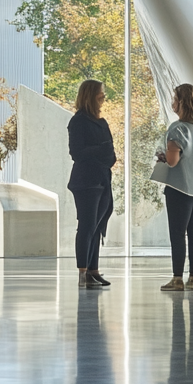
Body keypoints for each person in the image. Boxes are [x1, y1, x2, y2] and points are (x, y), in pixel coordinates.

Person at [157, 84, 193, 292]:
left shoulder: (177, 128)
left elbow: (172, 161)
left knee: (178, 234)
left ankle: (177, 278)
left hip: (180, 190)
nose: (172, 102)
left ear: (181, 103)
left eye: (175, 98)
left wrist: (163, 155)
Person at [67, 80, 116, 289]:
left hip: (102, 177)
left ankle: (93, 269)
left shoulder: (101, 122)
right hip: (86, 181)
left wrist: (103, 152)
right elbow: (77, 153)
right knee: (87, 226)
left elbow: (110, 152)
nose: (103, 98)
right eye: (100, 95)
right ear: (90, 96)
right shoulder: (78, 122)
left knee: (98, 225)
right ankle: (83, 272)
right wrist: (100, 149)